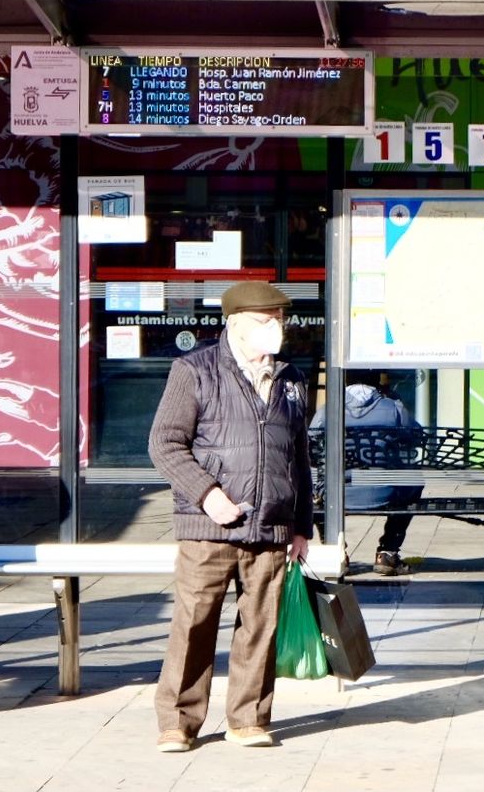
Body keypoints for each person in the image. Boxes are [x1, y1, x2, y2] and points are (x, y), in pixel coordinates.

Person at [148, 281, 312, 753]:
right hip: (210, 528)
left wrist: (302, 525)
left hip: (272, 526)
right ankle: (178, 722)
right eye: (265, 320)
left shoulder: (292, 379)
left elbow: (299, 456)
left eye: (279, 320)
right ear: (235, 323)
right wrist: (207, 494)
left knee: (261, 627)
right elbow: (165, 444)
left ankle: (249, 720)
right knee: (194, 624)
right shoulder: (194, 370)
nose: (275, 328)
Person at [325, 373, 423, 575]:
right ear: (377, 381)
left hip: (337, 492)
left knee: (315, 490)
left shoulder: (328, 409)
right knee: (414, 479)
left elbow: (310, 441)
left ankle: (336, 551)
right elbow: (417, 436)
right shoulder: (393, 408)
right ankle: (388, 551)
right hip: (384, 491)